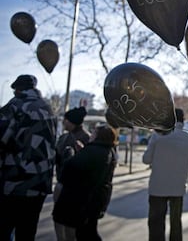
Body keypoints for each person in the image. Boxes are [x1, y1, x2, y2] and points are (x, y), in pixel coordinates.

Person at [0, 75, 57, 241]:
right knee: (27, 231)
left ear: (17, 89)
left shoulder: (15, 105)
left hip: (15, 181)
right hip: (40, 183)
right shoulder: (49, 108)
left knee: (4, 229)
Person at [52, 124, 118, 241]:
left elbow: (69, 170)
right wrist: (83, 151)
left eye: (94, 133)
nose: (91, 134)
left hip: (82, 200)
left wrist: (71, 155)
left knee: (85, 233)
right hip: (95, 199)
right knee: (88, 231)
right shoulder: (108, 150)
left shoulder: (93, 150)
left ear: (98, 136)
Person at [142, 108, 188, 241]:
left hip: (157, 187)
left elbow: (146, 159)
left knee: (156, 221)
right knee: (176, 222)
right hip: (178, 187)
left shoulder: (157, 136)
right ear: (182, 120)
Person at [54, 106, 91, 240]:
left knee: (71, 227)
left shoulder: (86, 138)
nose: (63, 122)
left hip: (76, 189)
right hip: (61, 184)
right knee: (58, 221)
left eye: (66, 120)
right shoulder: (64, 137)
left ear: (72, 122)